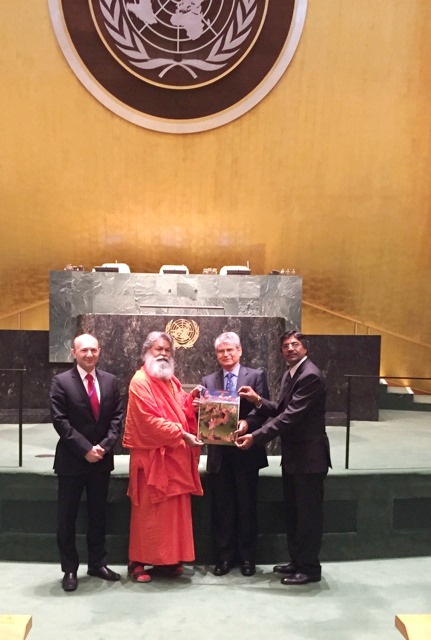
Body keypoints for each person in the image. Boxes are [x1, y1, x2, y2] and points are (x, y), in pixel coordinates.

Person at [236, 331, 331, 585]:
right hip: (294, 458)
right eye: (285, 346)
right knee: (295, 512)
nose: (290, 349)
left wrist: (255, 437)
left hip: (310, 459)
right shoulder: (291, 373)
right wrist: (257, 400)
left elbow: (290, 417)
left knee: (308, 516)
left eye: (295, 344)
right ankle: (297, 562)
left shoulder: (310, 375)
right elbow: (281, 409)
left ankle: (309, 568)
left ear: (305, 348)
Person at [122, 331, 203, 583]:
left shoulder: (171, 380)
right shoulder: (140, 381)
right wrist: (183, 435)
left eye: (167, 350)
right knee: (149, 514)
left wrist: (192, 402)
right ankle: (138, 562)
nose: (163, 354)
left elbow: (180, 408)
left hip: (174, 458)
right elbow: (148, 421)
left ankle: (167, 561)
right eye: (158, 349)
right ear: (147, 351)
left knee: (172, 515)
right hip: (152, 460)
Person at [50, 333, 123, 592]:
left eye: (93, 350)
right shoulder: (61, 382)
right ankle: (70, 568)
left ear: (99, 351)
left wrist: (103, 447)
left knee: (97, 514)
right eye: (84, 350)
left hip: (101, 461)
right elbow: (60, 421)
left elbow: (117, 418)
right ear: (74, 352)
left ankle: (97, 563)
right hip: (72, 460)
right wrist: (85, 449)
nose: (89, 354)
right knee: (67, 517)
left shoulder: (111, 381)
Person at [202, 331, 269, 577]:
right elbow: (208, 416)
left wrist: (246, 424)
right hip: (220, 454)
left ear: (240, 351)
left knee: (247, 507)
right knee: (223, 508)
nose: (226, 354)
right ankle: (224, 558)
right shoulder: (208, 380)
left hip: (246, 451)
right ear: (216, 354)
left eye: (230, 350)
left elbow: (263, 410)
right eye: (221, 351)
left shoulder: (256, 375)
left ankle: (248, 559)